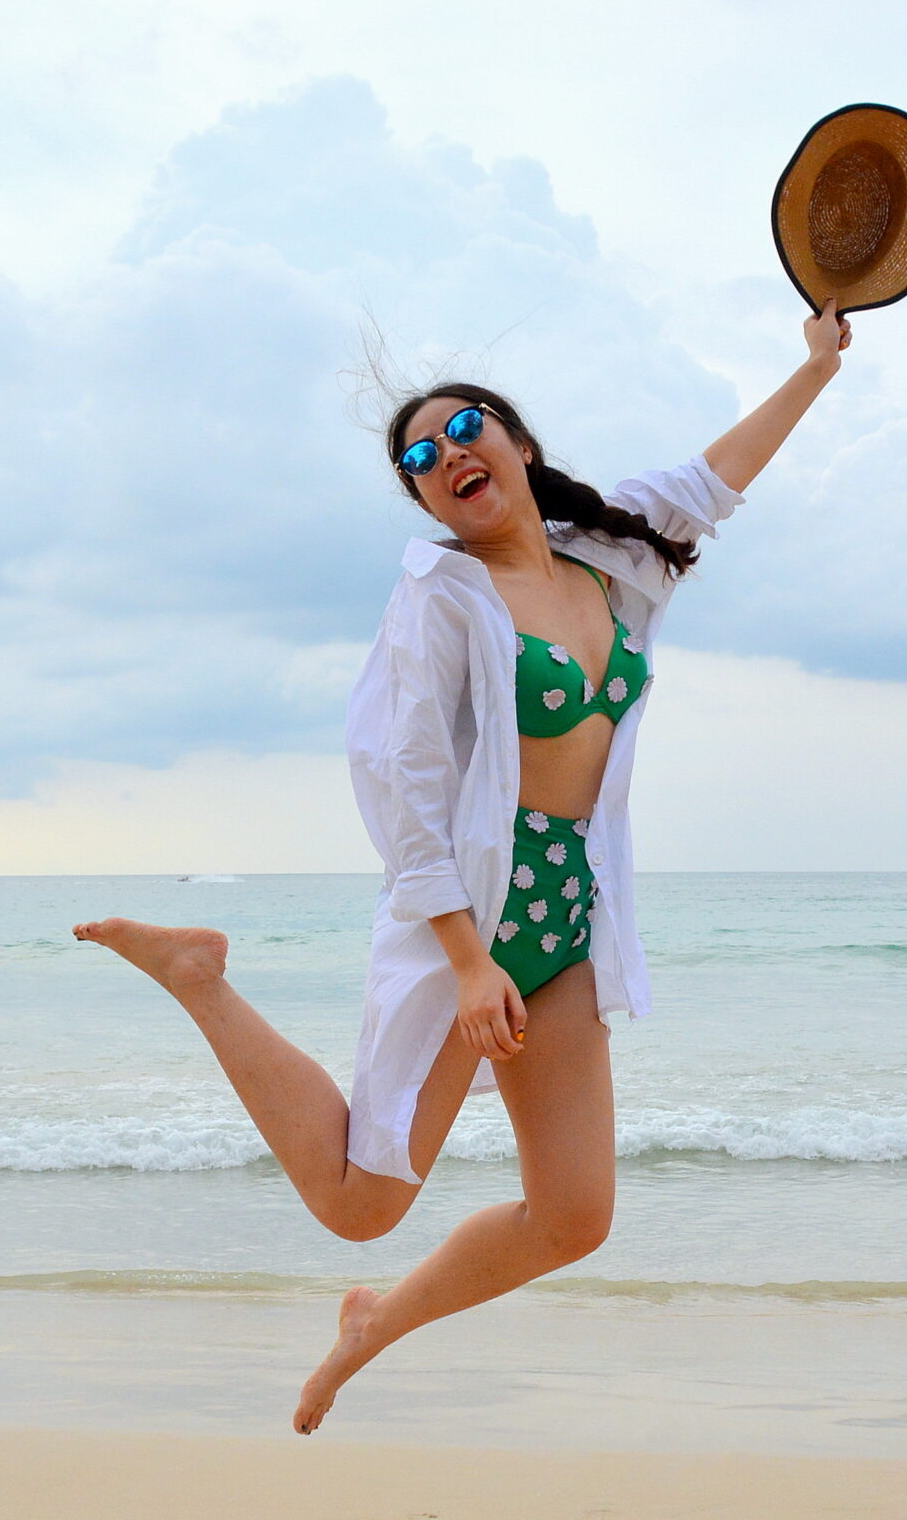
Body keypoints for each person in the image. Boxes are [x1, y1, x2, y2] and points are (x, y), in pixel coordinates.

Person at [75, 300, 853, 1432]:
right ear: (430, 500)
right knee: (358, 1199)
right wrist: (467, 958)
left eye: (463, 430)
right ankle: (200, 974)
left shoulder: (609, 554)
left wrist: (816, 370)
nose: (445, 456)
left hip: (570, 916)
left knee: (574, 1215)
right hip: (475, 923)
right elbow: (403, 784)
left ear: (518, 445)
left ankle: (371, 1324)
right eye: (419, 460)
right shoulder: (442, 595)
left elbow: (713, 478)